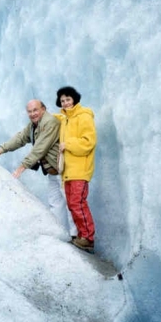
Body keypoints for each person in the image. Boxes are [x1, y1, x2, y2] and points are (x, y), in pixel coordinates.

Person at [0, 99, 76, 239]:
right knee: (55, 203)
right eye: (30, 111)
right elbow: (20, 138)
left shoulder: (50, 122)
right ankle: (63, 235)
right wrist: (0, 150)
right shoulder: (34, 126)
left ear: (43, 109)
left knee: (71, 204)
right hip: (53, 173)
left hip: (66, 173)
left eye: (35, 110)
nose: (33, 114)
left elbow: (39, 148)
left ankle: (77, 237)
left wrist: (21, 168)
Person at [56, 86, 97, 250]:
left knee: (77, 203)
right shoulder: (64, 119)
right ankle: (82, 236)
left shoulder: (84, 116)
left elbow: (89, 142)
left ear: (74, 99)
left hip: (80, 170)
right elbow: (51, 118)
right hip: (68, 171)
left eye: (68, 99)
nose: (65, 103)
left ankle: (88, 238)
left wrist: (68, 144)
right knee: (73, 204)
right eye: (62, 100)